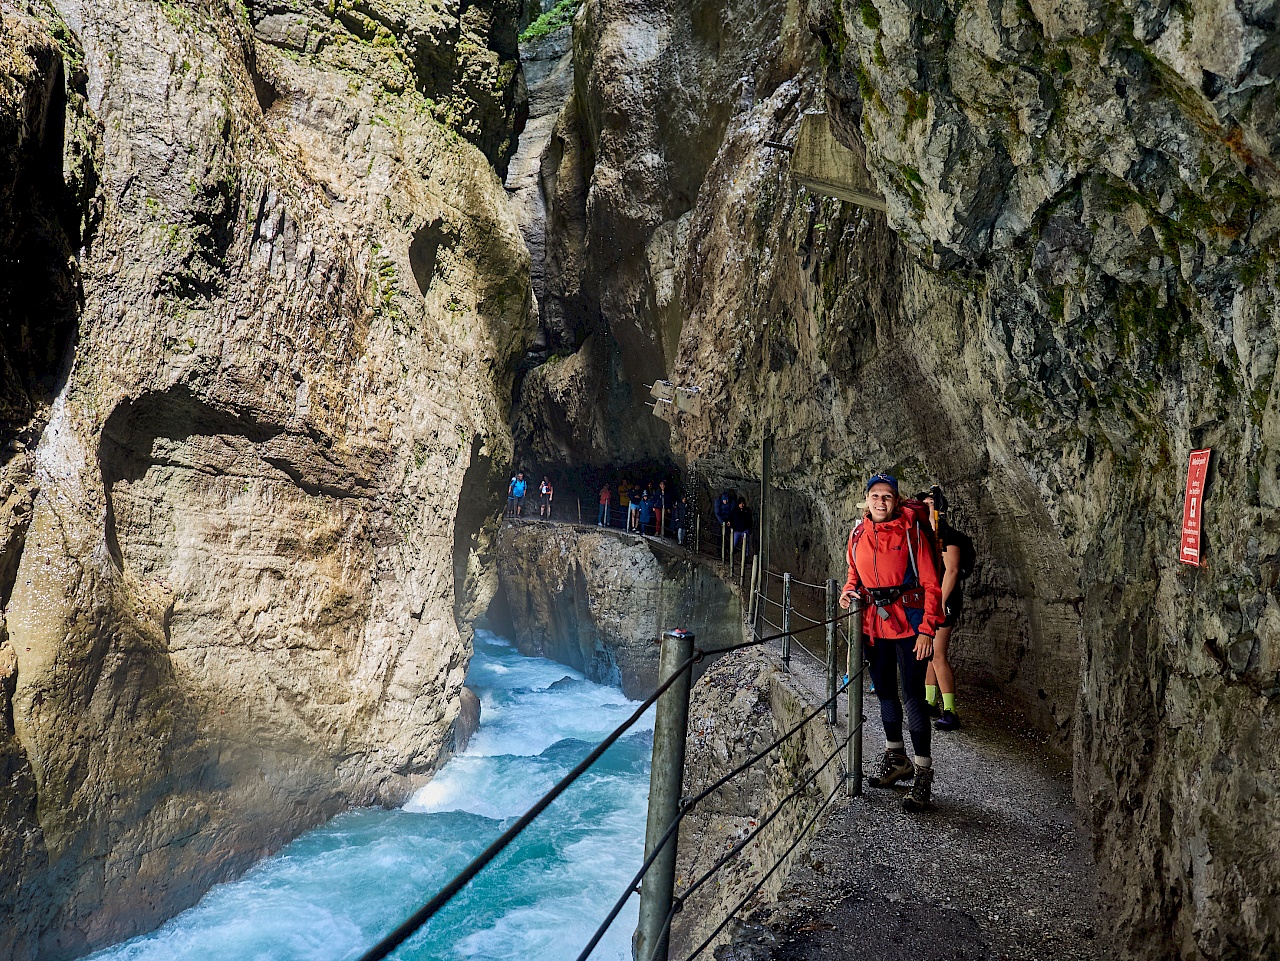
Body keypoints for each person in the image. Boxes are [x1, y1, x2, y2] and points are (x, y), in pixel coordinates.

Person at [839, 473, 944, 812]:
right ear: (866, 499)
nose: (880, 501)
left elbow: (932, 583)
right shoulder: (858, 534)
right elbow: (855, 575)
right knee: (885, 693)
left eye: (887, 496)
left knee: (913, 695)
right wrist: (847, 592)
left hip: (911, 625)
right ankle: (896, 759)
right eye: (875, 495)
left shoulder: (912, 533)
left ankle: (923, 773)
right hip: (874, 625)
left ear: (896, 500)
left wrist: (929, 629)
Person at [918, 486, 974, 731]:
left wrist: (940, 602)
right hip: (934, 600)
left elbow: (951, 570)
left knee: (937, 653)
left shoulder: (948, 536)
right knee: (930, 652)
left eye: (929, 503)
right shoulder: (928, 534)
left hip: (945, 602)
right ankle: (930, 701)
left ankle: (950, 710)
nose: (925, 507)